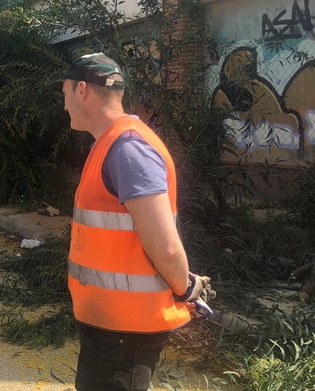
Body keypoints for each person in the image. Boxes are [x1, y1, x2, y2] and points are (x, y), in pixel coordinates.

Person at [49, 52, 215, 391]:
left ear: (82, 90)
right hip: (114, 328)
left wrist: (185, 288)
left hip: (124, 333)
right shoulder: (111, 144)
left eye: (64, 93)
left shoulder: (127, 148)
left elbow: (166, 247)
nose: (64, 104)